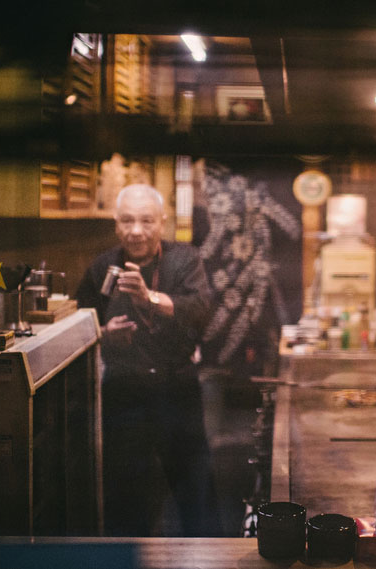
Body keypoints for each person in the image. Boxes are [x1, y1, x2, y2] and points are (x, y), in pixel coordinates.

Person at [76, 183, 219, 536]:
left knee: (195, 492)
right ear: (116, 224)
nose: (136, 231)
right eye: (127, 221)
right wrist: (105, 333)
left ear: (162, 222)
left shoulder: (184, 259)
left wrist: (148, 299)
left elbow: (200, 310)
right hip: (124, 392)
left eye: (146, 221)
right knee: (125, 500)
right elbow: (80, 322)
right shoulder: (102, 267)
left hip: (177, 386)